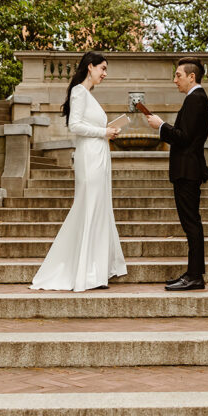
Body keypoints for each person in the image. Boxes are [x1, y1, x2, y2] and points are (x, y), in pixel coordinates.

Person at [30, 52, 127, 292]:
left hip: (98, 154)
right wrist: (102, 132)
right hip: (89, 156)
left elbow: (88, 125)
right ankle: (87, 272)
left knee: (99, 207)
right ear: (90, 66)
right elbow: (74, 126)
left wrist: (106, 130)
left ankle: (97, 270)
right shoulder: (79, 92)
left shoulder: (88, 95)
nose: (104, 74)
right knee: (90, 207)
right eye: (102, 68)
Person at [146, 57, 208, 291]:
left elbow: (184, 138)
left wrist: (161, 126)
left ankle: (194, 276)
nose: (175, 80)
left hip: (188, 171)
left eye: (178, 76)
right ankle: (193, 273)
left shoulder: (196, 99)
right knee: (191, 223)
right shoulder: (195, 99)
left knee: (191, 223)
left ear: (191, 77)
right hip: (187, 170)